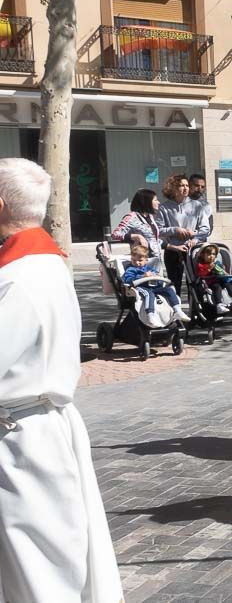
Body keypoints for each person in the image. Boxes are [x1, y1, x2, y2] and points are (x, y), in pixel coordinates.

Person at [0, 158, 123, 602]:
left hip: (20, 436)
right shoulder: (45, 263)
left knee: (39, 571)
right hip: (38, 425)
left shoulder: (18, 278)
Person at [157, 174, 211, 292]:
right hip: (173, 250)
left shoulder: (198, 206)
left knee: (195, 284)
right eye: (182, 185)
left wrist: (194, 237)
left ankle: (195, 310)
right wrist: (175, 230)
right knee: (174, 284)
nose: (185, 188)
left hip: (193, 250)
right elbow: (158, 230)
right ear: (173, 188)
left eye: (187, 185)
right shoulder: (164, 208)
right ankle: (176, 309)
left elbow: (206, 229)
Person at [123, 244, 191, 323]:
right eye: (134, 260)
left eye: (140, 260)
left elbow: (157, 276)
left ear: (146, 260)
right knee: (149, 294)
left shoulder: (148, 268)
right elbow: (128, 279)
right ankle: (150, 314)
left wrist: (157, 276)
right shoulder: (131, 269)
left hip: (154, 286)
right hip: (141, 287)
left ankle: (177, 310)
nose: (137, 262)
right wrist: (142, 276)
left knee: (169, 290)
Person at [111, 188, 166, 265]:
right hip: (141, 263)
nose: (158, 202)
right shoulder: (131, 217)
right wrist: (137, 236)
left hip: (156, 261)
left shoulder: (150, 217)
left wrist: (172, 246)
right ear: (147, 202)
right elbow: (115, 234)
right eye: (155, 200)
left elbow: (153, 240)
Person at [196, 243, 232, 312]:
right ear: (202, 255)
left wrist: (223, 270)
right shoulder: (201, 265)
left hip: (221, 280)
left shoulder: (217, 263)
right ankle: (219, 304)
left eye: (213, 254)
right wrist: (209, 269)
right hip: (210, 283)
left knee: (228, 285)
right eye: (209, 254)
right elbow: (200, 274)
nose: (211, 256)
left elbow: (223, 272)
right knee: (217, 287)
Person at [188, 173, 214, 237]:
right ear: (189, 186)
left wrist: (196, 237)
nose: (199, 189)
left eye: (202, 187)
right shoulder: (180, 202)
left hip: (199, 242)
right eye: (196, 186)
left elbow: (209, 229)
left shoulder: (206, 206)